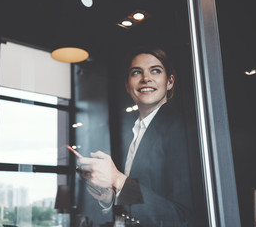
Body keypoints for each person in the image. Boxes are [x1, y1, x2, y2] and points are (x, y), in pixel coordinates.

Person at [77, 46, 193, 226]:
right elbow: (140, 200)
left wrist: (117, 179)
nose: (146, 78)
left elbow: (181, 216)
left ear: (170, 81)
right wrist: (109, 194)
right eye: (136, 72)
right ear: (127, 85)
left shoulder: (179, 128)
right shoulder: (133, 132)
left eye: (155, 71)